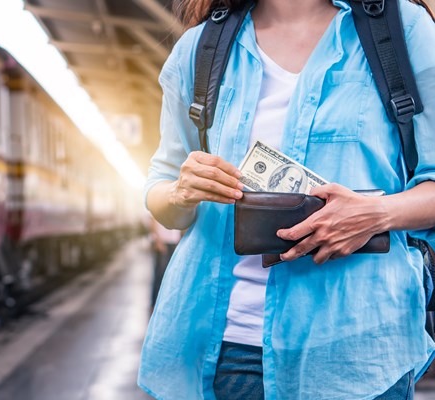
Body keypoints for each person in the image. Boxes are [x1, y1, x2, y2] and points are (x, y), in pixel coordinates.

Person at [139, 0, 435, 399]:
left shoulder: (402, 31)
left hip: (356, 352)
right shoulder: (201, 48)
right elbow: (162, 193)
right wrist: (179, 192)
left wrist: (376, 214)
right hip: (226, 348)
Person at [149, 218, 182, 308]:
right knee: (160, 274)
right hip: (163, 243)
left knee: (173, 274)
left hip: (174, 242)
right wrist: (158, 241)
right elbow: (152, 221)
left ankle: (166, 302)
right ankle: (154, 303)